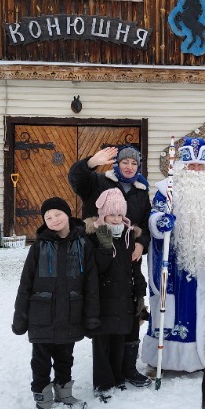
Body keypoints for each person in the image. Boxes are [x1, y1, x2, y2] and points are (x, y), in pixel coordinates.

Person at [142, 137, 205, 373]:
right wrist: (159, 222)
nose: (195, 170)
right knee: (175, 309)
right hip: (176, 262)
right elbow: (155, 215)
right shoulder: (167, 189)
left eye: (200, 165)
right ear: (182, 167)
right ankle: (171, 359)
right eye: (191, 165)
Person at [68, 145, 152, 388]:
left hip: (128, 253)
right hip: (101, 250)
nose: (129, 166)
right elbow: (76, 178)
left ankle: (127, 368)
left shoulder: (140, 191)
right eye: (124, 162)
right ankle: (107, 372)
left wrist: (141, 244)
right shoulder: (99, 181)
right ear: (117, 164)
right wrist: (91, 162)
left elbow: (145, 223)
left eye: (134, 163)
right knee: (106, 310)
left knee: (131, 307)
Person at [11, 197, 99, 409]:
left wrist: (91, 316)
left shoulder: (83, 245)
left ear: (68, 214)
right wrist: (20, 317)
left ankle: (64, 394)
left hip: (71, 312)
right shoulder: (40, 246)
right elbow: (25, 283)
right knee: (41, 360)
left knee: (65, 356)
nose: (53, 219)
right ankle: (43, 401)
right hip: (41, 315)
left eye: (57, 214)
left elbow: (91, 283)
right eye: (48, 217)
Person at [85, 189, 147, 403]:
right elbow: (97, 268)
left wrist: (140, 292)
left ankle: (117, 376)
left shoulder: (129, 236)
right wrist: (104, 245)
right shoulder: (94, 236)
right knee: (102, 342)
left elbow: (135, 267)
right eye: (111, 215)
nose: (116, 219)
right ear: (102, 214)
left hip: (123, 297)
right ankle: (103, 383)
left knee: (119, 340)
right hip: (102, 297)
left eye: (119, 215)